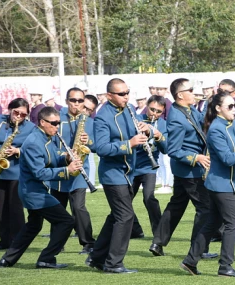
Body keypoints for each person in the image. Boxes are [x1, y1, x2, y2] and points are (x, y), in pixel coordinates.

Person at [180, 91, 235, 277]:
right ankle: (225, 266)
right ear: (218, 109)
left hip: (225, 183)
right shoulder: (216, 129)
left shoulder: (233, 124)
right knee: (233, 223)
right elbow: (227, 158)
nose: (234, 109)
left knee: (211, 224)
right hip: (220, 184)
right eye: (230, 106)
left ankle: (190, 261)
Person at [0, 106, 82, 268]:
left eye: (58, 123)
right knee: (66, 221)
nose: (57, 127)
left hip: (37, 191)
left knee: (33, 226)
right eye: (54, 123)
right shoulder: (34, 142)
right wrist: (67, 170)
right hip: (33, 192)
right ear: (42, 122)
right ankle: (46, 258)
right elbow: (39, 173)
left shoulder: (46, 137)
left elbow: (53, 156)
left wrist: (67, 158)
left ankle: (7, 259)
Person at [86, 78, 151, 274]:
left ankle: (97, 258)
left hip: (128, 172)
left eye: (127, 92)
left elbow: (135, 133)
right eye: (121, 94)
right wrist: (129, 143)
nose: (126, 97)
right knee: (125, 216)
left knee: (116, 216)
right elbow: (102, 148)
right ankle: (113, 263)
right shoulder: (102, 117)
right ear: (109, 96)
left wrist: (146, 130)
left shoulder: (129, 109)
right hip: (112, 174)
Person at [148, 79, 215, 260]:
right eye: (191, 90)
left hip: (187, 170)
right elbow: (173, 150)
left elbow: (204, 123)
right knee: (206, 208)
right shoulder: (177, 116)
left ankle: (158, 242)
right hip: (189, 170)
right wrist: (197, 157)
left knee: (176, 205)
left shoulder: (190, 110)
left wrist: (213, 104)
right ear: (180, 95)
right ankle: (198, 249)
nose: (194, 93)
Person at [50, 88, 96, 254]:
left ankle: (88, 243)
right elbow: (50, 143)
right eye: (73, 100)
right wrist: (63, 156)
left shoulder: (89, 121)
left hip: (79, 169)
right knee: (57, 208)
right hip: (60, 168)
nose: (76, 104)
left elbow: (97, 145)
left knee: (78, 207)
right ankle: (57, 243)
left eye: (80, 100)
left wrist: (88, 140)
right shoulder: (57, 118)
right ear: (67, 100)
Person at [0, 98, 36, 251]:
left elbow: (34, 148)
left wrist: (17, 150)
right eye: (16, 112)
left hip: (18, 171)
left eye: (23, 115)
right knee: (2, 208)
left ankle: (18, 243)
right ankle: (4, 241)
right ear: (9, 109)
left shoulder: (31, 128)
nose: (18, 116)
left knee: (16, 209)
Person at [130, 95, 168, 238]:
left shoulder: (163, 124)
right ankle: (136, 230)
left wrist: (157, 135)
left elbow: (166, 149)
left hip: (149, 167)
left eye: (158, 111)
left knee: (149, 198)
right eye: (152, 109)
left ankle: (159, 234)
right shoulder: (136, 119)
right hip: (133, 166)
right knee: (125, 202)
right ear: (147, 106)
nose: (154, 113)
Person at [84, 95, 99, 187]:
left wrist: (88, 141)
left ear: (92, 111)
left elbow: (95, 147)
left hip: (81, 166)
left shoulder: (92, 124)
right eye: (84, 107)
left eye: (88, 109)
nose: (84, 111)